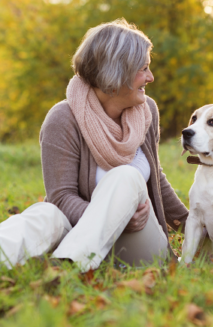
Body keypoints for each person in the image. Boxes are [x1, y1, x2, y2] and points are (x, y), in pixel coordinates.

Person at [31, 18, 188, 271]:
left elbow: (156, 178)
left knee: (125, 176)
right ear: (118, 71)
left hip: (139, 245)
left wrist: (191, 226)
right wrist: (116, 217)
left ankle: (68, 268)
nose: (151, 77)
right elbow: (60, 198)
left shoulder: (146, 111)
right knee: (41, 215)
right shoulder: (63, 119)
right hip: (82, 236)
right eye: (144, 68)